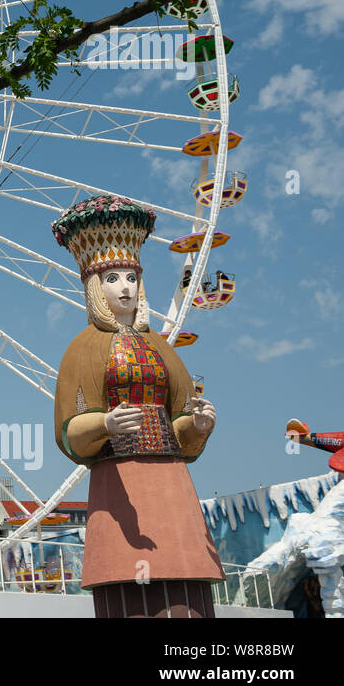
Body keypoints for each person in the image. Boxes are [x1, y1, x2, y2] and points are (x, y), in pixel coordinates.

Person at [51, 195, 223, 617]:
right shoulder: (82, 349)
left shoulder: (161, 347)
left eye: (131, 276)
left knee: (185, 580)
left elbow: (180, 418)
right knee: (124, 583)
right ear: (94, 286)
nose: (125, 287)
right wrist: (106, 424)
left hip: (171, 481)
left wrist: (197, 425)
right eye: (112, 278)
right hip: (118, 482)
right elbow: (67, 429)